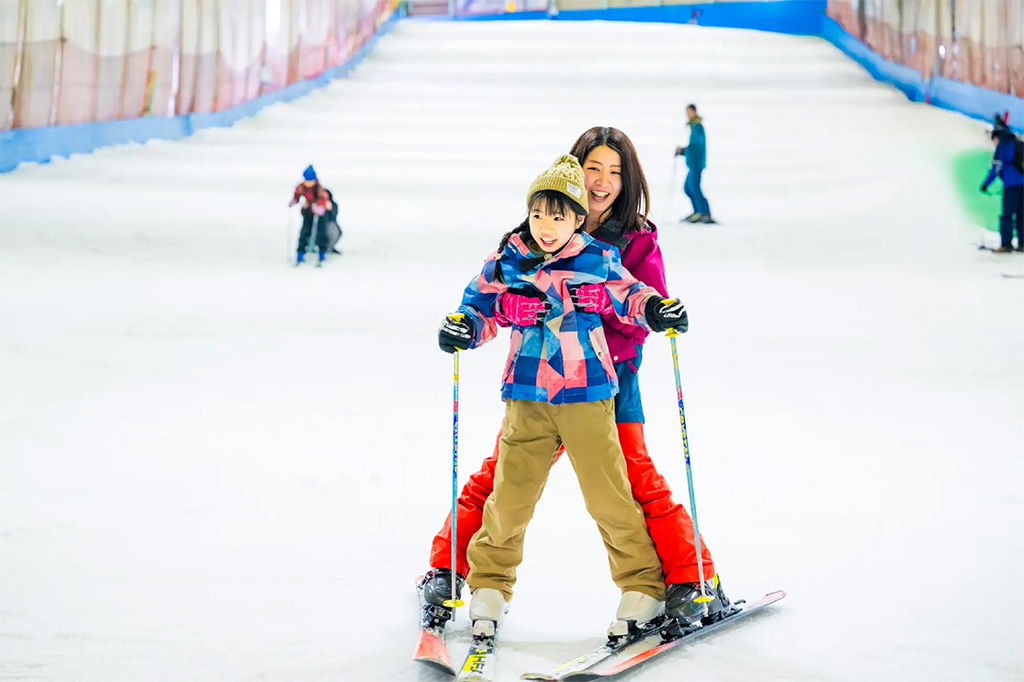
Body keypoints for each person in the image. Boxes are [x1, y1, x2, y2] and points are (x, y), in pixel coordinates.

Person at [421, 127, 728, 632]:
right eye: (593, 169)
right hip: (533, 384)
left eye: (615, 172)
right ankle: (450, 568)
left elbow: (639, 301)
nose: (602, 181)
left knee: (629, 479)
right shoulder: (525, 242)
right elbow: (485, 302)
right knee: (502, 481)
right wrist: (496, 313)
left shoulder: (630, 241)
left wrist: (627, 308)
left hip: (605, 379)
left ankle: (689, 577)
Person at [981, 125, 1024, 252]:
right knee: (1022, 215)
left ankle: (1006, 244)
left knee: (1007, 215)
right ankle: (1022, 244)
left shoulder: (1002, 147)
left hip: (1011, 186)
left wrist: (986, 184)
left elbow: (996, 168)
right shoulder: (1019, 144)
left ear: (997, 137)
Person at [289, 165, 339, 266]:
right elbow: (297, 195)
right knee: (305, 231)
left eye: (310, 180)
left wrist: (320, 206)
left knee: (321, 232)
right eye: (306, 180)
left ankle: (322, 253)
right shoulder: (301, 187)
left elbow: (324, 199)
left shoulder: (320, 189)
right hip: (308, 212)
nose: (308, 183)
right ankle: (300, 253)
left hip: (321, 214)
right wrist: (294, 201)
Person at [675, 104, 715, 224]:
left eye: (689, 112)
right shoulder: (694, 126)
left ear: (694, 111)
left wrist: (683, 150)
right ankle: (698, 211)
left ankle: (704, 212)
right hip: (693, 163)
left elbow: (696, 145)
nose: (688, 114)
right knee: (688, 187)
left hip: (696, 163)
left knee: (693, 186)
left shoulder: (698, 126)